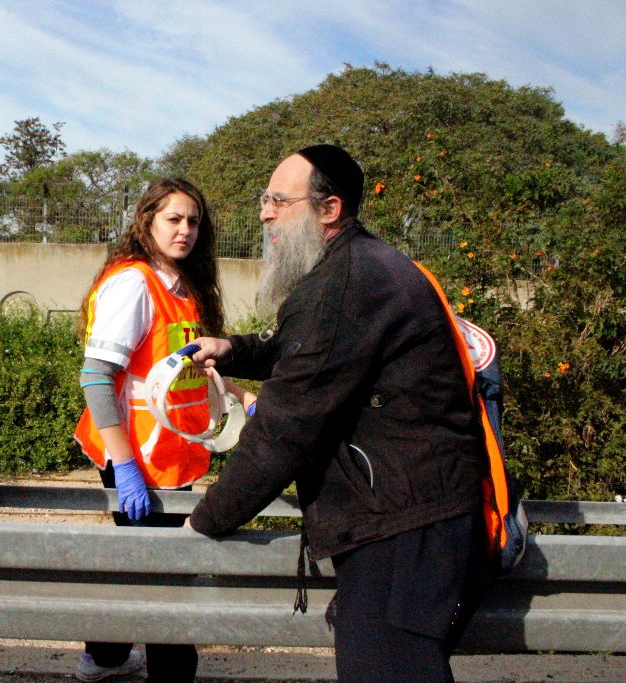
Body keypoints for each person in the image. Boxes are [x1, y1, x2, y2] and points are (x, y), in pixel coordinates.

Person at [183, 145, 488, 682]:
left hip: (402, 528)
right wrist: (233, 349)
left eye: (279, 200)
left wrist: (207, 519)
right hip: (407, 516)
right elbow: (303, 349)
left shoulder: (346, 283)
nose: (264, 212)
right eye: (264, 199)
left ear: (329, 210)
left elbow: (286, 425)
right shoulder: (357, 268)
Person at [73, 177, 255, 682]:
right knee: (166, 574)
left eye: (194, 221)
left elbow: (188, 370)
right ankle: (169, 672)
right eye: (174, 219)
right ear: (147, 221)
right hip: (139, 456)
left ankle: (104, 658)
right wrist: (125, 465)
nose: (186, 230)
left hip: (169, 455)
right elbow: (96, 376)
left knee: (142, 563)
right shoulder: (136, 283)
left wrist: (243, 397)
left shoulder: (180, 287)